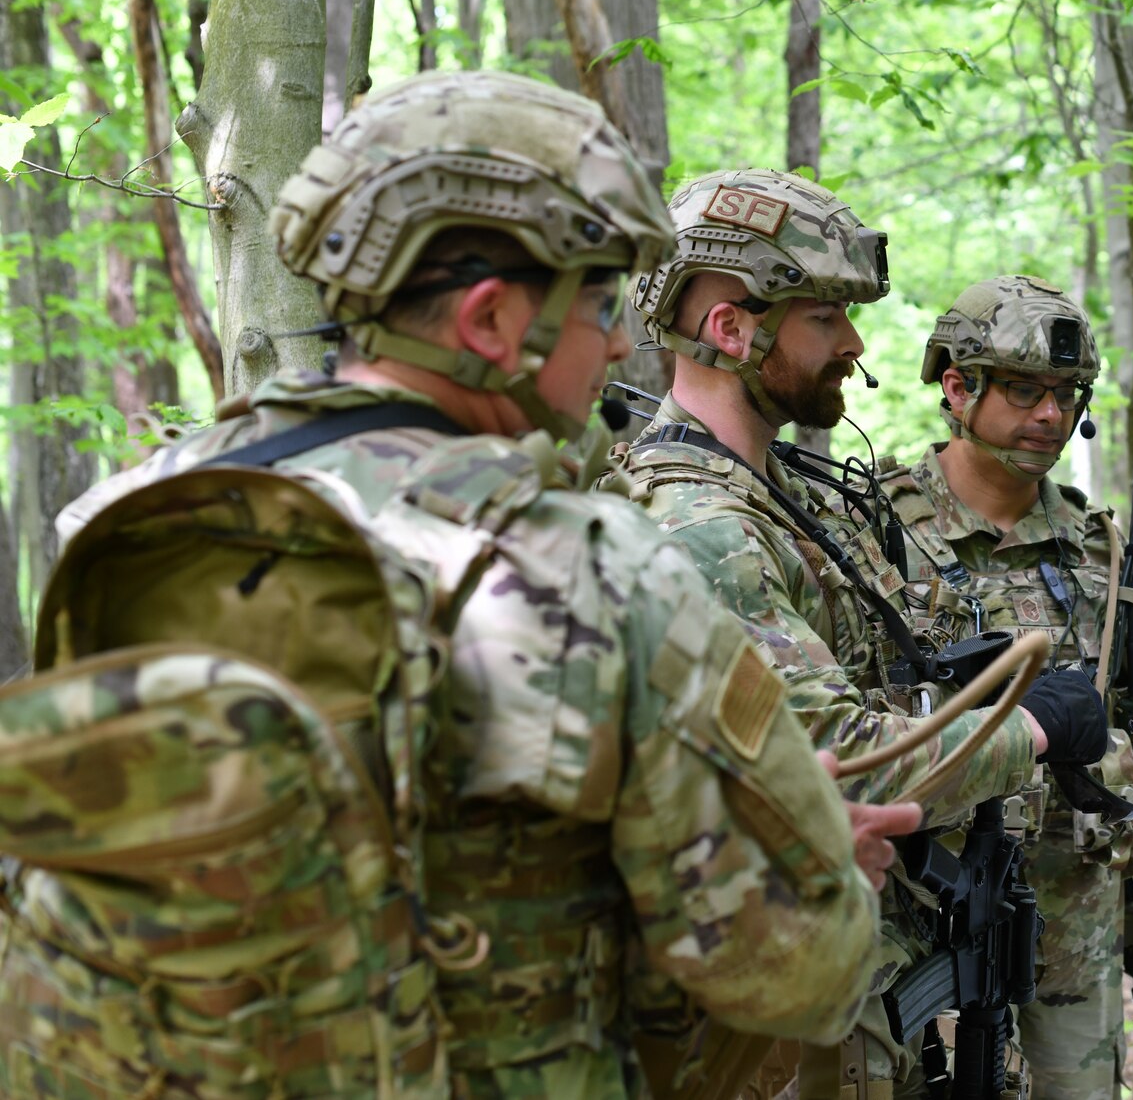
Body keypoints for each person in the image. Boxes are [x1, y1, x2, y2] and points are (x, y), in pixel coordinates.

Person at [27, 74, 915, 1097]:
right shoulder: (598, 569)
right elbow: (792, 974)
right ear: (494, 322)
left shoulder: (128, 514)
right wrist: (825, 863)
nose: (622, 341)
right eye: (595, 301)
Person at [618, 170, 1110, 1099]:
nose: (853, 343)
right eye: (825, 316)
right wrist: (1033, 727)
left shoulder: (792, 499)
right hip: (773, 1011)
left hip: (857, 983)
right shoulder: (700, 526)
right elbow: (834, 763)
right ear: (733, 328)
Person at [878, 274, 1133, 1097]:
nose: (1050, 415)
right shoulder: (877, 534)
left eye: (1067, 394)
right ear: (958, 388)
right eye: (1025, 389)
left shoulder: (1104, 558)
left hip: (1075, 935)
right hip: (915, 920)